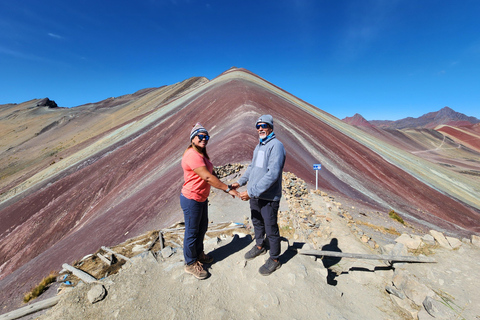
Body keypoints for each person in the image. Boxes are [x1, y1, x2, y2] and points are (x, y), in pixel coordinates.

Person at [180, 123, 240, 279]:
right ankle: (190, 263)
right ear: (193, 138)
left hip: (201, 197)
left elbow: (210, 174)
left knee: (201, 228)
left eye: (206, 137)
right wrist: (227, 189)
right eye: (200, 136)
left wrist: (226, 184)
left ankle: (199, 254)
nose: (204, 139)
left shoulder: (201, 153)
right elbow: (207, 177)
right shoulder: (192, 154)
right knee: (192, 232)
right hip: (191, 198)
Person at [232, 114, 286, 276]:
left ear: (271, 128)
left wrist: (250, 192)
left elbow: (273, 174)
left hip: (268, 197)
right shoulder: (259, 146)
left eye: (264, 126)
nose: (260, 129)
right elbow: (252, 168)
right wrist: (240, 182)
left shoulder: (276, 146)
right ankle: (260, 246)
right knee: (257, 222)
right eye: (258, 126)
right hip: (256, 196)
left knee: (271, 227)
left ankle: (275, 258)